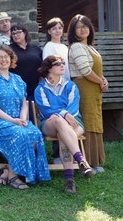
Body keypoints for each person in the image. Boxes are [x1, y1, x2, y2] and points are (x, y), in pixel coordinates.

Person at [0, 46, 50, 189]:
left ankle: (8, 169)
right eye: (0, 57)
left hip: (17, 120)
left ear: (11, 60)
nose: (4, 60)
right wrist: (12, 120)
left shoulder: (18, 79)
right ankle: (13, 177)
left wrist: (22, 118)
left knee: (35, 134)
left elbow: (24, 103)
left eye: (6, 57)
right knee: (20, 134)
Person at [35, 55, 96, 195]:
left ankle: (70, 181)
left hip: (74, 121)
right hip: (50, 123)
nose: (62, 65)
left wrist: (66, 115)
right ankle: (81, 160)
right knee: (58, 120)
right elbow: (46, 110)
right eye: (58, 64)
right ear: (49, 68)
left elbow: (73, 107)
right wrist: (63, 114)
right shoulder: (40, 89)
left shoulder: (71, 85)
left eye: (63, 63)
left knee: (64, 135)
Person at [67, 14, 108, 173]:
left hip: (94, 87)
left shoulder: (90, 47)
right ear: (73, 31)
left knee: (95, 120)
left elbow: (95, 69)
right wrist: (99, 81)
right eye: (79, 27)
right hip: (84, 86)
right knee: (89, 122)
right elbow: (84, 70)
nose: (83, 29)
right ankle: (88, 162)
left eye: (85, 26)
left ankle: (96, 160)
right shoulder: (77, 47)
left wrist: (103, 80)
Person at [42, 17, 70, 164]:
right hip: (54, 85)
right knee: (56, 115)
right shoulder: (49, 46)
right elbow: (48, 66)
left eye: (59, 28)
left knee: (66, 116)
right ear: (49, 31)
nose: (57, 31)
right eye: (54, 28)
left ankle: (67, 152)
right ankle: (57, 154)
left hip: (65, 84)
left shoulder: (65, 47)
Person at [9, 23, 42, 119]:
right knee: (24, 117)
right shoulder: (9, 50)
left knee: (36, 117)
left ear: (25, 33)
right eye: (13, 33)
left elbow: (42, 67)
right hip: (17, 91)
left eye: (18, 32)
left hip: (35, 90)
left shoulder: (36, 49)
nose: (16, 35)